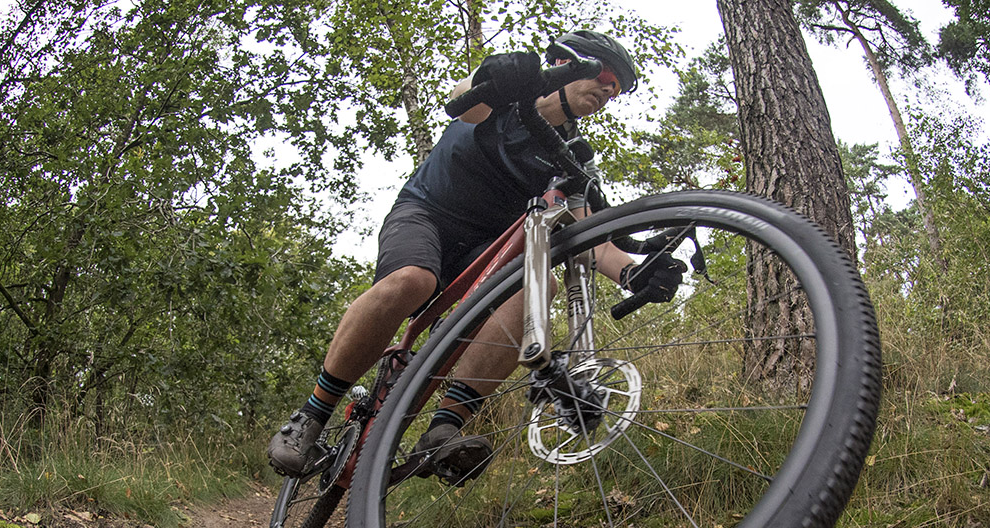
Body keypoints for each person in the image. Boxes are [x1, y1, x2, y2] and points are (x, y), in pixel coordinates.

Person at [268, 30, 686, 479]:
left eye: (617, 88)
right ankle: (312, 415)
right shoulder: (508, 98)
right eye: (605, 75)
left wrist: (634, 274)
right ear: (566, 62)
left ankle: (444, 429)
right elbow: (465, 102)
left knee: (530, 290)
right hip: (427, 214)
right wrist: (494, 73)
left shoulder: (572, 157)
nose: (609, 89)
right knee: (412, 280)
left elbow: (586, 236)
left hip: (484, 251)